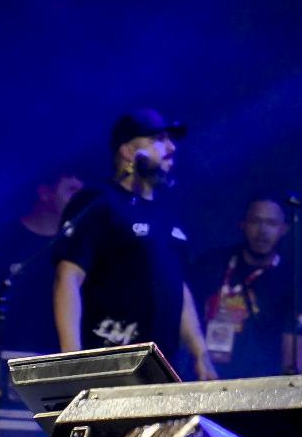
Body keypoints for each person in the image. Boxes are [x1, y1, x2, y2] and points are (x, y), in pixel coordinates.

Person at [52, 108, 217, 379]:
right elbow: (68, 277)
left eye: (170, 141)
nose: (171, 148)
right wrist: (72, 361)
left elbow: (178, 287)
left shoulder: (168, 212)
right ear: (128, 151)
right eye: (158, 140)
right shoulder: (99, 200)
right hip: (110, 363)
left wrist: (200, 352)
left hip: (163, 369)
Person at [190, 197, 302, 377]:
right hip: (205, 376)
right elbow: (184, 317)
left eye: (271, 223)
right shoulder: (211, 264)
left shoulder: (291, 280)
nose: (262, 230)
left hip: (259, 382)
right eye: (255, 221)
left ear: (284, 229)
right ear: (242, 225)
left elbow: (293, 357)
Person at [0, 172, 85, 355]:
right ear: (45, 193)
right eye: (71, 191)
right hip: (6, 352)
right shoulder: (1, 239)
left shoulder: (78, 245)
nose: (79, 200)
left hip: (55, 353)